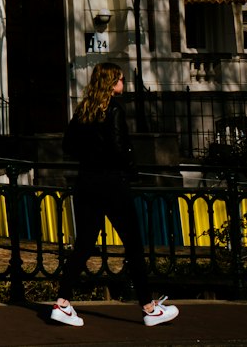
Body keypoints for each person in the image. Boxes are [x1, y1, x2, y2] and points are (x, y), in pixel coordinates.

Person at [51, 62, 179, 328]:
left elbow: (68, 145)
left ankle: (62, 302)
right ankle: (148, 307)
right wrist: (132, 171)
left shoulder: (83, 109)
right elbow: (120, 148)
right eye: (121, 79)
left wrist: (90, 158)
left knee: (84, 244)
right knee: (133, 244)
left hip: (86, 182)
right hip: (112, 184)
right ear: (112, 83)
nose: (124, 82)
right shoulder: (115, 110)